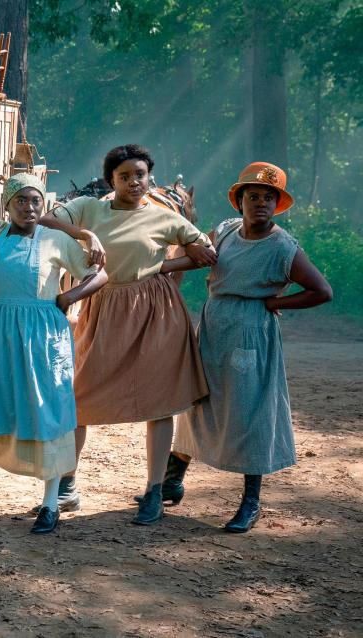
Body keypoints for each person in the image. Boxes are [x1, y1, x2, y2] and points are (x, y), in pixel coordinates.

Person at [49, 144, 217, 525]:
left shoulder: (163, 217)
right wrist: (86, 235)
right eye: (124, 176)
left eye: (139, 175)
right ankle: (67, 484)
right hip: (102, 306)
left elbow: (205, 251)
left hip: (155, 312)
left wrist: (163, 265)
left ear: (149, 177)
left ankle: (154, 490)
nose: (133, 182)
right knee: (79, 396)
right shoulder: (90, 209)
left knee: (159, 403)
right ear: (112, 180)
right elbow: (45, 220)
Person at [166, 162, 332, 533]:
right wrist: (159, 266)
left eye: (268, 197)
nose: (260, 202)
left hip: (251, 331)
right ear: (239, 200)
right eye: (253, 196)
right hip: (214, 324)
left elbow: (321, 291)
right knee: (198, 399)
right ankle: (172, 479)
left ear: (277, 204)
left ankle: (250, 501)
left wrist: (276, 304)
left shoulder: (282, 247)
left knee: (248, 410)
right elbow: (199, 258)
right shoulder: (225, 231)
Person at [0, 173, 108, 534]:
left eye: (36, 201)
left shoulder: (56, 240)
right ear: (8, 204)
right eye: (21, 200)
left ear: (44, 205)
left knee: (44, 407)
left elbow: (98, 275)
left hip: (40, 335)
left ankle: (51, 501)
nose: (29, 207)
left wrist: (68, 297)